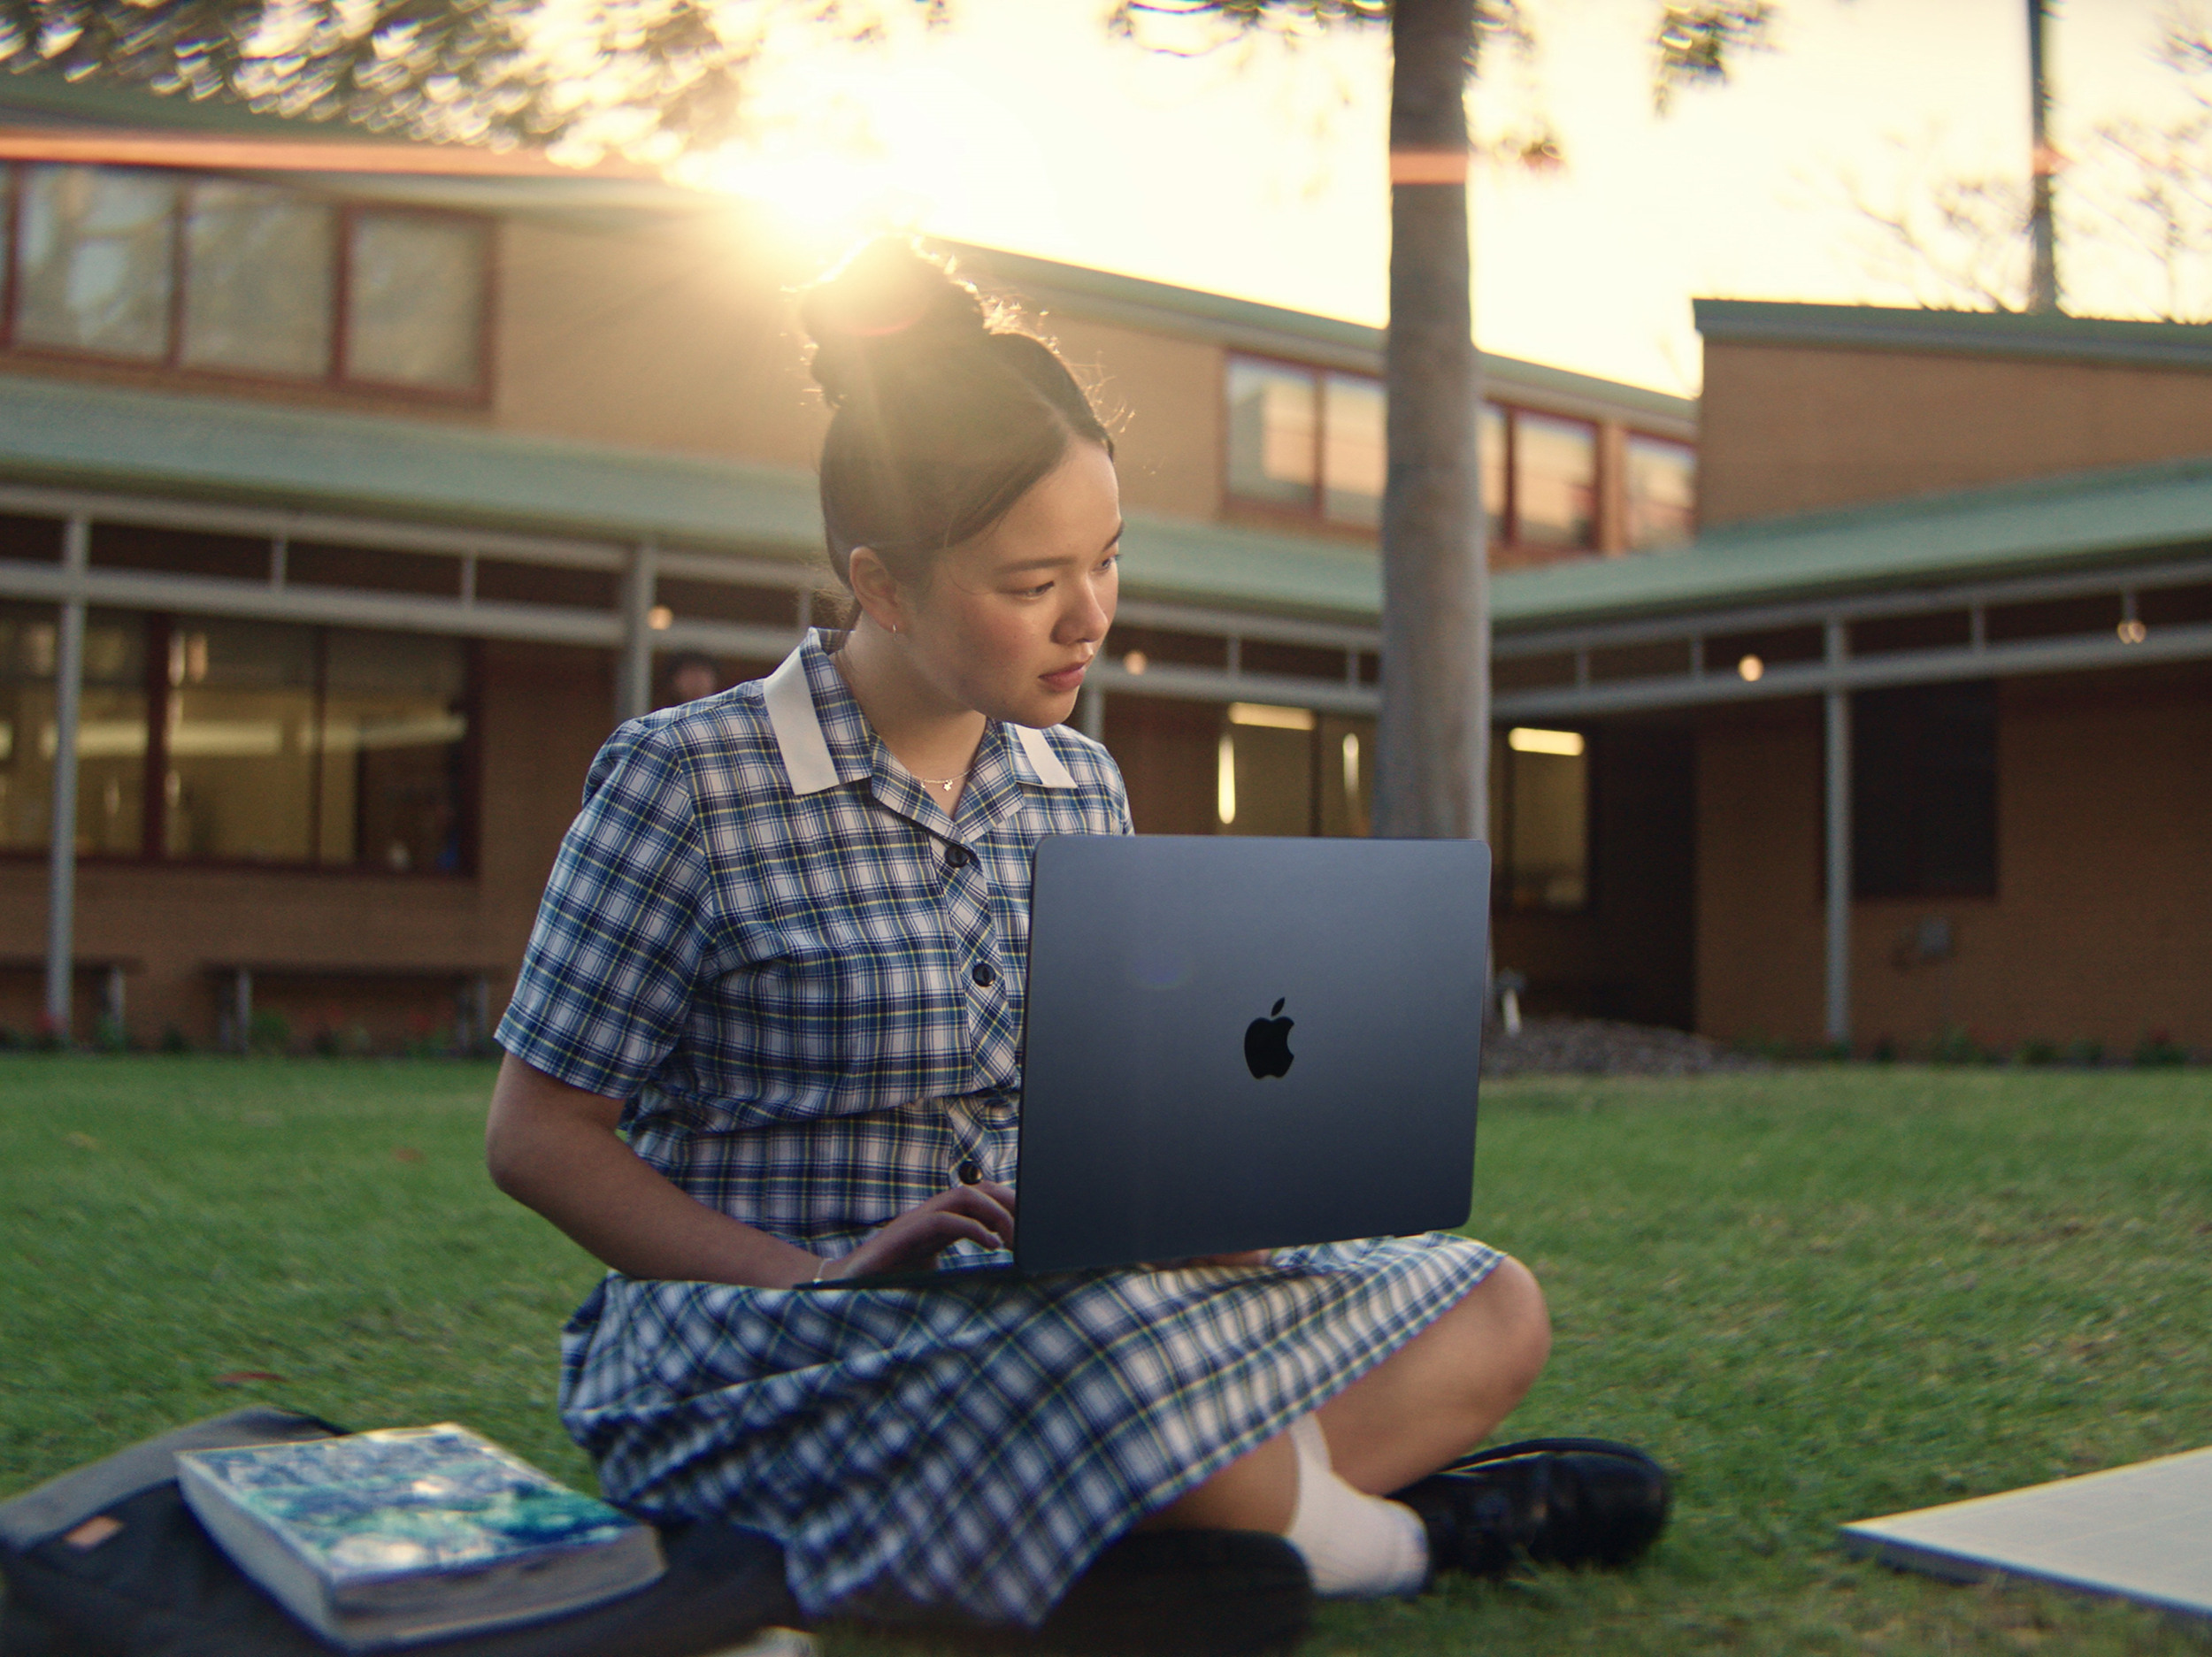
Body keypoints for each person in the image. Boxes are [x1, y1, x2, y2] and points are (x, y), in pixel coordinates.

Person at [484, 241, 1663, 1635]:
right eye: (1034, 581)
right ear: (886, 585)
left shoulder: (1075, 784)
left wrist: (1196, 1215)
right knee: (1099, 1368)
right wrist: (819, 1274)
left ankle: (1181, 1519)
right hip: (776, 1337)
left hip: (1057, 1308)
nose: (1091, 617)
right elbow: (540, 1137)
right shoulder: (686, 778)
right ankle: (1387, 1538)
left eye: (1105, 560)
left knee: (1487, 1301)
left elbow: (1113, 1105)